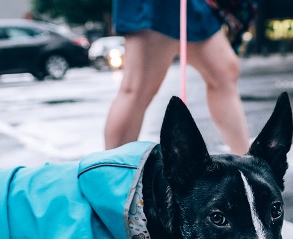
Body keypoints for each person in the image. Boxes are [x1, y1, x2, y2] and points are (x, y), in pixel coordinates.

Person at [105, 0, 250, 155]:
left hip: (191, 7)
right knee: (136, 88)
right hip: (156, 6)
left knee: (224, 72)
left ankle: (244, 159)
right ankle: (114, 170)